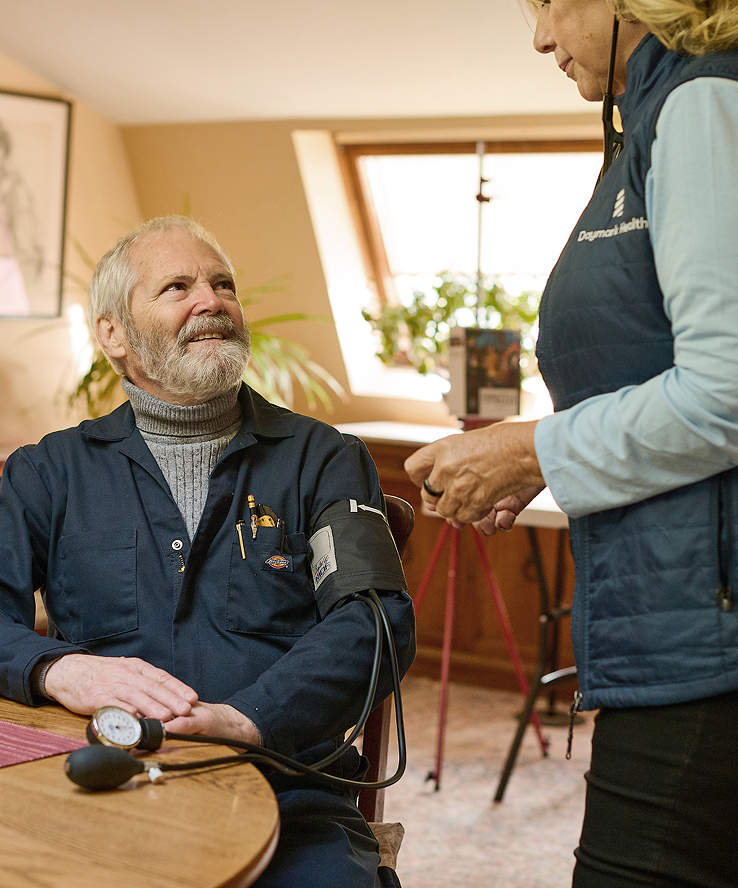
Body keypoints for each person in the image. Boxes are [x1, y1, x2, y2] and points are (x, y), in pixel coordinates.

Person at [405, 1, 738, 885]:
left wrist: (534, 451)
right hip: (665, 613)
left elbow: (728, 392)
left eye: (551, 2)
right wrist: (540, 460)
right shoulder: (646, 123)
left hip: (706, 639)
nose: (542, 36)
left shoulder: (704, 104)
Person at [0, 215, 416, 888]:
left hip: (287, 790)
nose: (211, 300)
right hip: (98, 781)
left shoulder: (324, 460)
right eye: (177, 286)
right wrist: (59, 668)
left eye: (222, 284)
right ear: (113, 333)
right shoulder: (46, 472)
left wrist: (249, 720)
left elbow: (375, 623)